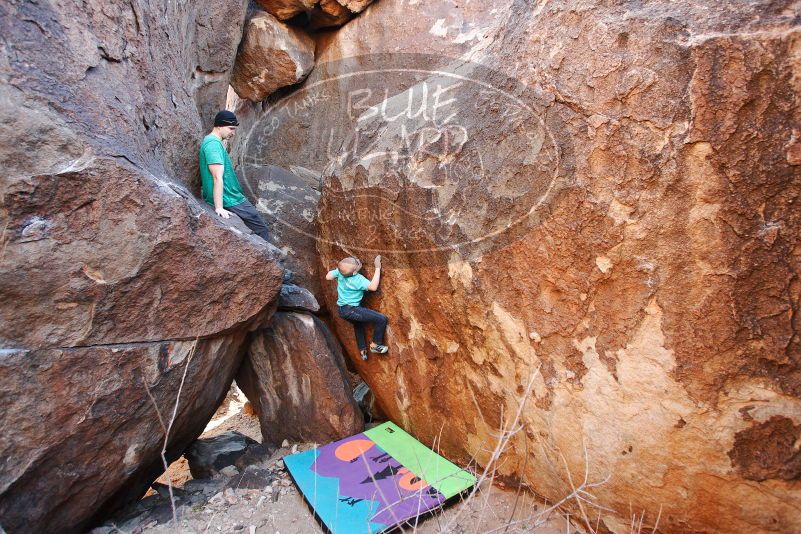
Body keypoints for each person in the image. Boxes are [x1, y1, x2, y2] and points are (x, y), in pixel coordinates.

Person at [199, 110, 270, 241]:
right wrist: (219, 207)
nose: (233, 133)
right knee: (262, 229)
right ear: (219, 126)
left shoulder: (212, 142)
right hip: (229, 198)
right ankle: (269, 261)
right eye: (231, 128)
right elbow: (217, 177)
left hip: (230, 196)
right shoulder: (213, 145)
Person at [327, 255, 389, 361]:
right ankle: (375, 345)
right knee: (381, 319)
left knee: (358, 324)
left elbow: (328, 276)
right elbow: (373, 287)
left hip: (342, 310)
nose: (357, 261)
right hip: (352, 310)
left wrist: (338, 271)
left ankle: (362, 350)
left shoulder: (339, 273)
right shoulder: (357, 279)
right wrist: (377, 268)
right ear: (355, 272)